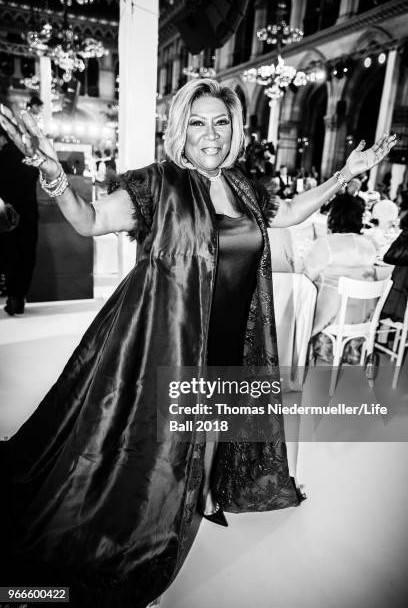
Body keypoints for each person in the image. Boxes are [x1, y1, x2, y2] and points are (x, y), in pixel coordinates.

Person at [0, 79, 396, 607]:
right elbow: (90, 221)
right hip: (170, 336)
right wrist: (54, 177)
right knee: (158, 440)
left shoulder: (243, 186)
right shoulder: (158, 184)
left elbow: (289, 214)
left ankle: (204, 493)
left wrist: (344, 175)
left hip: (231, 331)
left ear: (234, 129)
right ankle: (151, 521)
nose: (210, 134)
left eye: (221, 122)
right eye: (198, 122)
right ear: (179, 130)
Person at [303, 194, 378, 363]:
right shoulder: (369, 244)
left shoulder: (326, 244)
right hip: (362, 314)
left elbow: (307, 275)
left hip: (333, 315)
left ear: (333, 216)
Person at [0, 125, 39, 315]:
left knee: (10, 254)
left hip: (7, 213)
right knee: (27, 255)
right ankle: (19, 297)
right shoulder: (28, 156)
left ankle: (13, 296)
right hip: (29, 212)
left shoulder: (2, 157)